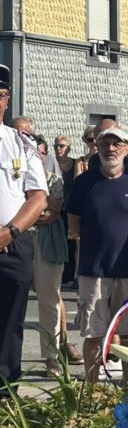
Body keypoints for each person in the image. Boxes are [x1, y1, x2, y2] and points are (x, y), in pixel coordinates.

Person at [67, 125, 128, 384]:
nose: (110, 148)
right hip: (93, 271)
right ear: (98, 147)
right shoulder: (85, 182)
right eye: (105, 144)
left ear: (126, 149)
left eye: (116, 144)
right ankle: (91, 391)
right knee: (93, 334)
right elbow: (73, 224)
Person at [0, 65, 48, 392]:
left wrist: (10, 231)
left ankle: (5, 401)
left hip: (12, 244)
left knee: (8, 326)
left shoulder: (20, 143)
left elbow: (39, 197)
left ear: (6, 100)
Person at [31, 136, 79, 373]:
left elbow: (52, 211)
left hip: (47, 238)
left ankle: (51, 355)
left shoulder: (52, 174)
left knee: (49, 298)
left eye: (40, 152)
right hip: (18, 238)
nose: (37, 156)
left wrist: (19, 220)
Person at [53, 135, 78, 286]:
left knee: (71, 242)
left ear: (68, 148)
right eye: (56, 146)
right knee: (56, 241)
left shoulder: (75, 163)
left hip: (70, 208)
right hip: (55, 208)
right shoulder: (50, 163)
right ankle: (57, 275)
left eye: (62, 146)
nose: (59, 149)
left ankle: (68, 275)